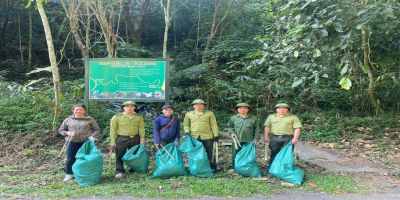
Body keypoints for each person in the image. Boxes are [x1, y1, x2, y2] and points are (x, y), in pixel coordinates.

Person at [58, 103, 100, 182]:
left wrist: (92, 137)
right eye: (76, 110)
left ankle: (85, 173)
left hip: (86, 142)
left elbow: (97, 129)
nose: (78, 111)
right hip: (72, 141)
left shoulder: (90, 119)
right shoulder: (68, 120)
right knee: (70, 158)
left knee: (86, 158)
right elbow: (60, 130)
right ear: (73, 110)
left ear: (84, 111)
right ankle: (69, 174)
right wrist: (67, 133)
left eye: (81, 110)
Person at [110, 101, 145, 178]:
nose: (129, 108)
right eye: (127, 106)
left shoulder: (139, 117)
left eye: (132, 106)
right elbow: (113, 130)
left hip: (135, 138)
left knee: (134, 154)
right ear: (123, 108)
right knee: (119, 155)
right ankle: (119, 170)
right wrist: (112, 141)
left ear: (134, 108)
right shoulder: (117, 117)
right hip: (122, 138)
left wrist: (142, 139)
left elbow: (141, 128)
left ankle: (132, 168)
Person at [183, 99, 219, 171]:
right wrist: (187, 131)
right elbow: (186, 125)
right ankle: (197, 168)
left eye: (200, 104)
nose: (198, 106)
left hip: (208, 136)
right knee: (195, 153)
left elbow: (213, 125)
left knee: (210, 152)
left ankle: (212, 167)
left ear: (204, 106)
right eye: (196, 104)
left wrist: (216, 135)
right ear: (193, 106)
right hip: (194, 137)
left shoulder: (209, 113)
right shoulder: (189, 114)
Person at [263, 103, 302, 167]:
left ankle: (284, 168)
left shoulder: (293, 117)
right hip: (274, 138)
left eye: (284, 108)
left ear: (287, 109)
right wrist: (266, 136)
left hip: (288, 138)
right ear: (276, 109)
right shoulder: (271, 117)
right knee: (274, 152)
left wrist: (295, 138)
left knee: (287, 154)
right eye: (279, 108)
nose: (281, 110)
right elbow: (267, 127)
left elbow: (297, 128)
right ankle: (272, 167)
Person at [226, 103, 261, 168]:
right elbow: (229, 127)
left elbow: (257, 129)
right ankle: (235, 167)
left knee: (249, 155)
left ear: (248, 109)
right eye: (240, 108)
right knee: (236, 154)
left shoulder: (253, 118)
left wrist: (256, 138)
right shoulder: (233, 118)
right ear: (237, 110)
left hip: (250, 141)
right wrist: (232, 133)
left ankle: (248, 167)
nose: (242, 109)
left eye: (245, 108)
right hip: (237, 140)